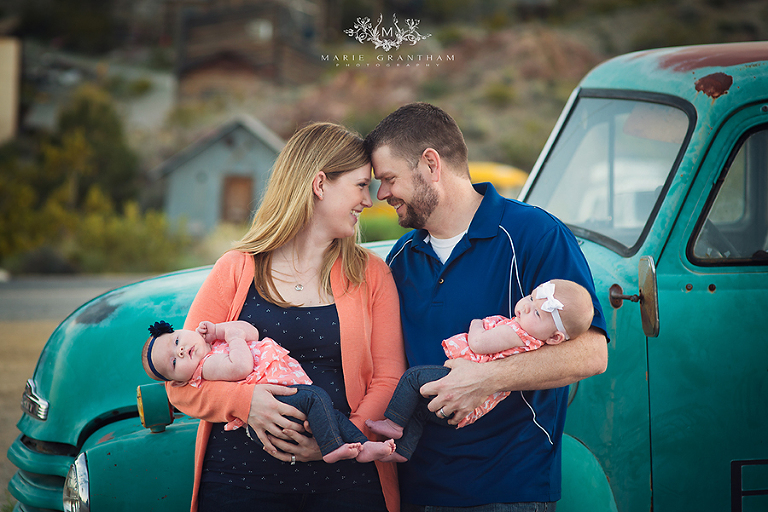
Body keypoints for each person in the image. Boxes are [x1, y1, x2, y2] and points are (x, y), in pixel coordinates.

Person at [363, 102, 609, 510]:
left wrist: (486, 378)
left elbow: (593, 353)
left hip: (508, 489)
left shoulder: (534, 233)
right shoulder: (400, 256)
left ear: (430, 164)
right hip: (415, 488)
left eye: (389, 178)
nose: (382, 194)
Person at [164, 122, 407, 512]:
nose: (369, 200)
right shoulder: (236, 269)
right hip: (240, 480)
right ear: (320, 184)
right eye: (361, 185)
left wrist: (341, 440)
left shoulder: (372, 274)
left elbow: (389, 377)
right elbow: (180, 382)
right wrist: (245, 401)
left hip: (347, 483)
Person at [366, 279, 594, 462]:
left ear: (555, 338)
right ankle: (403, 451)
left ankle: (392, 423)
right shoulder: (534, 340)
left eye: (536, 313)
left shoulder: (518, 334)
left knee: (414, 378)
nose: (526, 306)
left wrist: (477, 323)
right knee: (419, 410)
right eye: (531, 298)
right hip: (472, 402)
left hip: (462, 386)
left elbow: (479, 344)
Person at [142, 319, 397, 463]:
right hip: (275, 399)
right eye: (175, 362)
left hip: (286, 391)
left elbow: (251, 331)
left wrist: (221, 330)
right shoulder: (207, 365)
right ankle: (331, 449)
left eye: (177, 341)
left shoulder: (210, 343)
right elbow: (241, 367)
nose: (181, 350)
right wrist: (232, 338)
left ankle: (362, 446)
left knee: (331, 412)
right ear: (176, 380)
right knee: (317, 398)